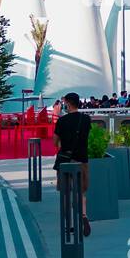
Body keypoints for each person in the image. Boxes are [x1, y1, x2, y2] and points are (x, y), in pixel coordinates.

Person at [53, 93, 92, 237]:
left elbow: (54, 142)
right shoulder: (86, 119)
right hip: (82, 159)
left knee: (65, 193)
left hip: (65, 162)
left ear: (68, 104)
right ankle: (83, 216)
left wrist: (63, 142)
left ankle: (68, 223)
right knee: (80, 192)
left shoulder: (62, 121)